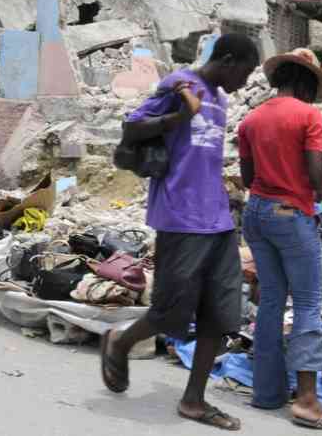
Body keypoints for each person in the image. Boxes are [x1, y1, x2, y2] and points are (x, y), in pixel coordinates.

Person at [100, 33, 259, 431]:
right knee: (171, 312)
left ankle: (193, 400)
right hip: (179, 217)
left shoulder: (220, 99)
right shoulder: (179, 84)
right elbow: (131, 129)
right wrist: (179, 116)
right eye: (244, 72)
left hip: (218, 219)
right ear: (226, 59)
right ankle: (120, 341)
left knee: (221, 314)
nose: (244, 82)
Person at [237, 48, 322, 431]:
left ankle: (266, 393)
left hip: (256, 212)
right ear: (305, 82)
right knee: (306, 303)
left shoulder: (250, 119)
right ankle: (306, 401)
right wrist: (321, 192)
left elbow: (247, 177)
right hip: (289, 213)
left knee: (270, 299)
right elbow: (316, 170)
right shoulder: (308, 115)